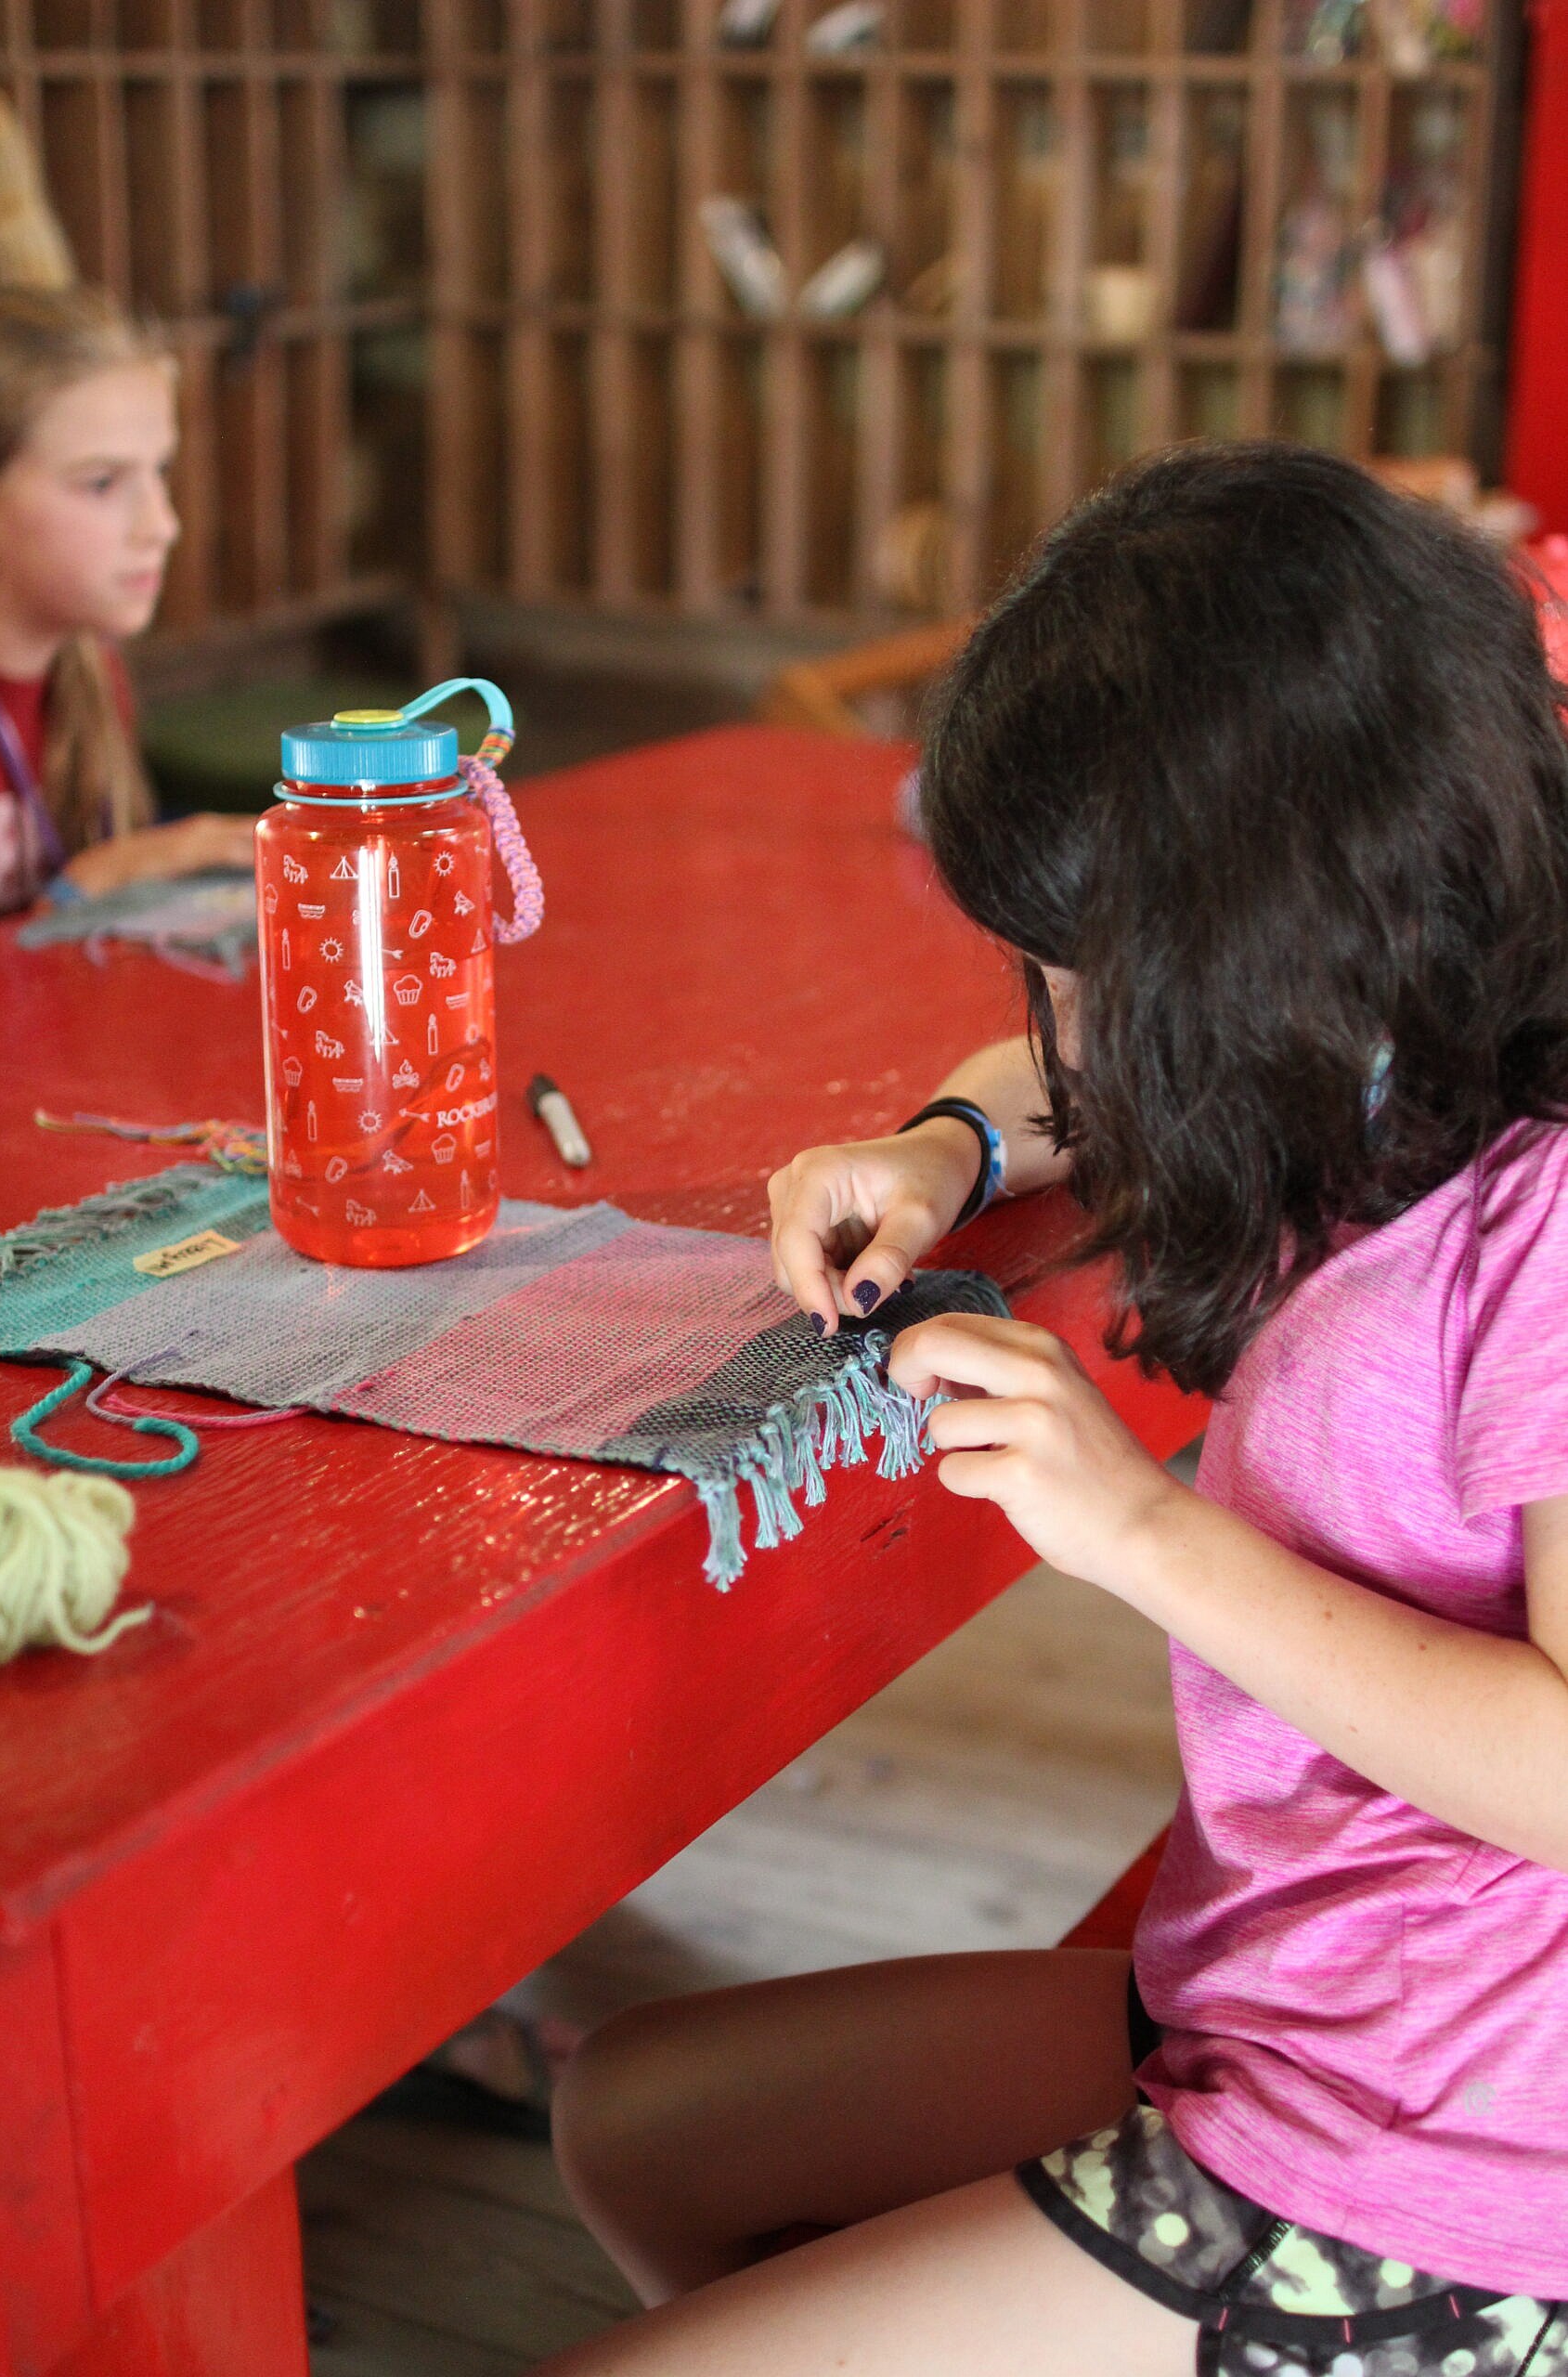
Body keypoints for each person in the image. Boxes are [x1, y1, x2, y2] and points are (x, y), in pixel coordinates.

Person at [537, 445, 1568, 2375]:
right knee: (638, 2120)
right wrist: (939, 1145)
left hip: (1446, 2171)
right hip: (1281, 1988)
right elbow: (1045, 1080)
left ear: (1269, 926)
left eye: (1102, 981)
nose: (1071, 1026)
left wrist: (1142, 1531)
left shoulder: (1548, 1220)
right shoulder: (1384, 1041)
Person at [0, 283, 253, 919]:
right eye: (102, 483)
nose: (163, 526)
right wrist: (99, 878)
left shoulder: (89, 670)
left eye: (159, 472)